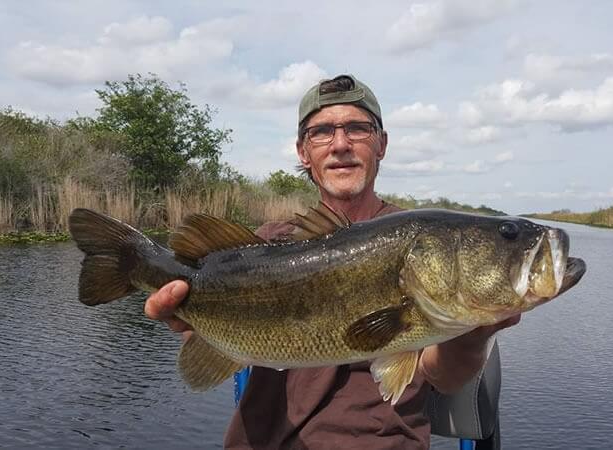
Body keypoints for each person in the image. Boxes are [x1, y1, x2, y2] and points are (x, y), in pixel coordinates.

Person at [144, 74, 520, 449]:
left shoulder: (421, 242)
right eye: (321, 132)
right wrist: (188, 320)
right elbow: (224, 338)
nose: (340, 144)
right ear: (303, 152)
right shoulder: (269, 242)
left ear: (381, 144)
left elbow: (444, 377)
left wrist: (475, 337)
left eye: (358, 128)